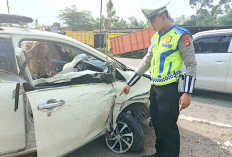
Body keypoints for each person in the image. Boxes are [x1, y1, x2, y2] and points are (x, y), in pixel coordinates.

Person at [120, 0, 197, 157]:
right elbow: (147, 61)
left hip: (169, 89)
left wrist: (187, 92)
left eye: (153, 20)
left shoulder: (181, 35)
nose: (151, 24)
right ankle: (160, 153)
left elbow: (191, 64)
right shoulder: (155, 38)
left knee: (168, 126)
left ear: (163, 16)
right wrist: (130, 83)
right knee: (157, 124)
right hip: (155, 88)